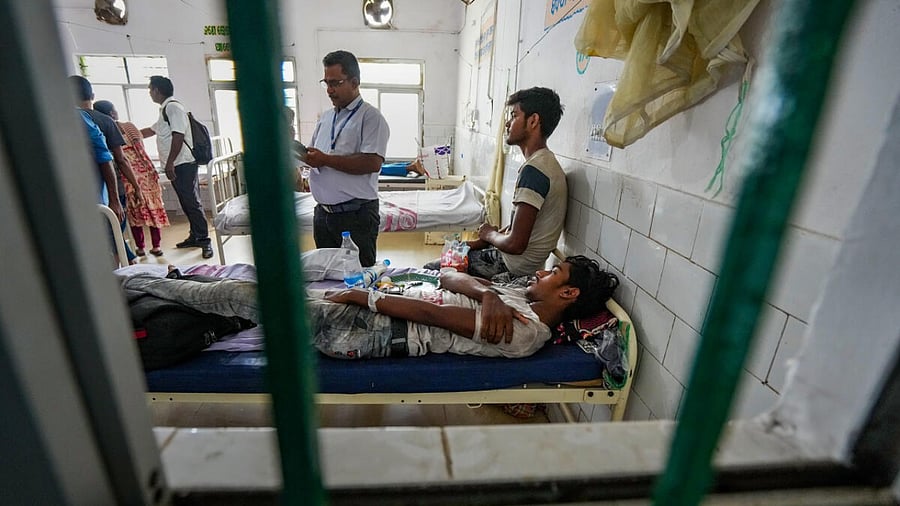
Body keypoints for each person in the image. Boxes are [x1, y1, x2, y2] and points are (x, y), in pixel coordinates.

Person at [119, 255, 618, 359]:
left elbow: (431, 314)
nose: (542, 273)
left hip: (370, 332)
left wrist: (366, 294)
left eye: (554, 273)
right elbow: (447, 275)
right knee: (259, 300)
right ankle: (153, 288)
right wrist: (486, 290)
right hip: (381, 312)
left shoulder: (524, 330)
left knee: (238, 295)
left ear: (569, 294)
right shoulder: (510, 297)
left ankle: (133, 285)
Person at [427, 87, 568, 281]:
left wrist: (489, 234)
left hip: (511, 267)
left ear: (533, 121)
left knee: (431, 271)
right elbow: (520, 230)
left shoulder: (535, 171)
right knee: (454, 254)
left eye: (514, 115)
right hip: (518, 261)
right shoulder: (545, 164)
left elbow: (515, 244)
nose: (508, 123)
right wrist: (487, 239)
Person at [305, 50, 390, 267]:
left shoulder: (371, 118)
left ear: (354, 82)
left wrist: (325, 159)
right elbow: (317, 152)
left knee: (359, 279)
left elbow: (372, 162)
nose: (329, 90)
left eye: (335, 83)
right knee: (326, 278)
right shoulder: (326, 117)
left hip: (356, 216)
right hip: (323, 215)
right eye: (326, 83)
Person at [70, 75, 144, 262]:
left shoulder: (75, 121)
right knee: (114, 236)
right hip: (114, 188)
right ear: (91, 95)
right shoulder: (106, 121)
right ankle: (128, 265)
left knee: (111, 237)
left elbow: (111, 157)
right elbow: (121, 160)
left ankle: (127, 269)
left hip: (102, 191)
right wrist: (136, 187)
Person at [141, 75, 213, 259]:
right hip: (176, 164)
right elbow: (152, 130)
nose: (149, 93)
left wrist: (170, 162)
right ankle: (194, 236)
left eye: (150, 89)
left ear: (157, 90)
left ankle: (205, 241)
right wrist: (128, 133)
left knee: (192, 202)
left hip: (183, 164)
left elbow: (178, 136)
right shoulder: (165, 109)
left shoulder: (173, 107)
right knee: (185, 201)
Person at [94, 100, 170, 257]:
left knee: (133, 214)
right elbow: (140, 152)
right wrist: (151, 172)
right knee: (152, 209)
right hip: (140, 175)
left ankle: (140, 247)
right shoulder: (128, 127)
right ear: (113, 113)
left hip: (123, 178)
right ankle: (156, 246)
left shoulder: (100, 131)